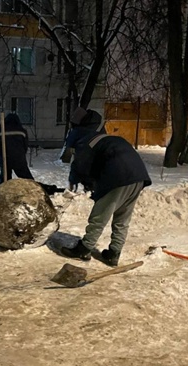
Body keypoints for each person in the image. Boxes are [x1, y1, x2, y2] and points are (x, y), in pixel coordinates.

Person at [59, 106, 152, 267]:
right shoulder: (105, 139)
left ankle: (85, 248)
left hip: (118, 176)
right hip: (139, 176)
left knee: (100, 214)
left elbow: (81, 165)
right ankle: (113, 253)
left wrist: (76, 180)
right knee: (123, 216)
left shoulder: (86, 142)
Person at [0, 113, 34, 185]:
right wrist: (21, 153)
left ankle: (1, 194)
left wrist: (0, 144)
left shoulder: (1, 130)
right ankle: (34, 189)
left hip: (5, 158)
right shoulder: (22, 131)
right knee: (26, 178)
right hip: (19, 158)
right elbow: (25, 145)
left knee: (4, 179)